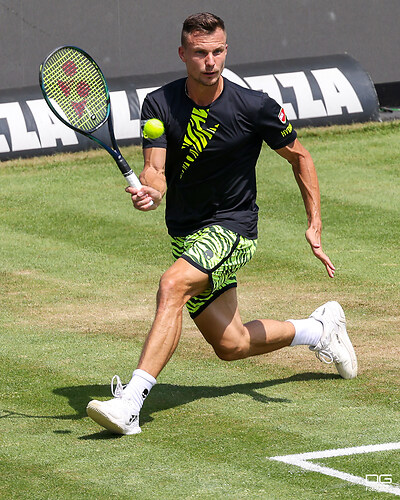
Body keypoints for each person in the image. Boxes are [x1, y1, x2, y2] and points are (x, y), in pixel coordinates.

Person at [86, 12, 357, 435]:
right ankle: (319, 329)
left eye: (217, 52)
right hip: (186, 235)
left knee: (172, 285)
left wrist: (314, 223)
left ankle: (131, 404)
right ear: (183, 54)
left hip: (233, 228)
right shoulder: (160, 103)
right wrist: (152, 191)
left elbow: (300, 156)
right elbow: (154, 169)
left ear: (225, 51)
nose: (210, 61)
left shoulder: (254, 107)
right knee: (231, 344)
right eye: (200, 53)